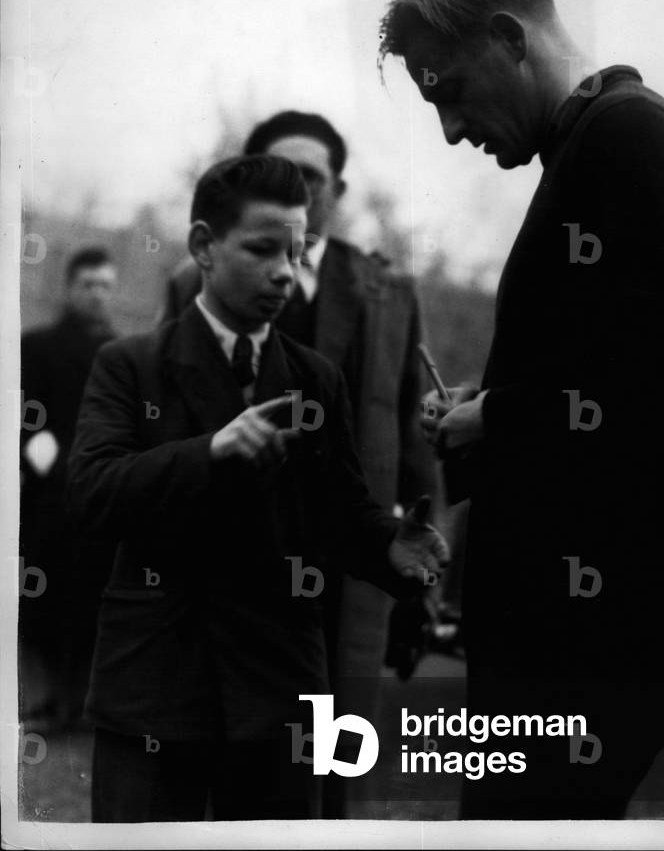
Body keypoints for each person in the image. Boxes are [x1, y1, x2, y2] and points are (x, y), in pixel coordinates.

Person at [378, 0, 664, 819]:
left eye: (450, 91)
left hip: (598, 620)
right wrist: (486, 400)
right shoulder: (589, 147)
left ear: (509, 37)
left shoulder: (627, 134)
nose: (453, 129)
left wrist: (501, 413)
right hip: (568, 615)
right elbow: (611, 356)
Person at [67, 154, 448, 822]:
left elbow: (340, 513)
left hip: (279, 691)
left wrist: (390, 546)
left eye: (296, 251)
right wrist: (208, 452)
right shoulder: (128, 366)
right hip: (156, 682)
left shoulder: (315, 377)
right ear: (204, 248)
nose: (283, 270)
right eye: (263, 248)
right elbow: (94, 492)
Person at [160, 111, 436, 815]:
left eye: (311, 179)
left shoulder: (385, 290)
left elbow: (409, 437)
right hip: (234, 556)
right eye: (279, 177)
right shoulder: (193, 277)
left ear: (336, 190)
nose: (299, 194)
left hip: (347, 562)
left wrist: (420, 561)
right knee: (235, 751)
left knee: (337, 748)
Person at [20, 246, 118, 729]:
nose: (97, 294)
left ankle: (80, 703)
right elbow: (23, 416)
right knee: (45, 602)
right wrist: (39, 455)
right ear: (69, 288)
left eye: (105, 285)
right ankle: (50, 702)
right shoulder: (38, 347)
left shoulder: (120, 353)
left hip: (102, 498)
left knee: (90, 605)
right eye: (88, 285)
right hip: (50, 498)